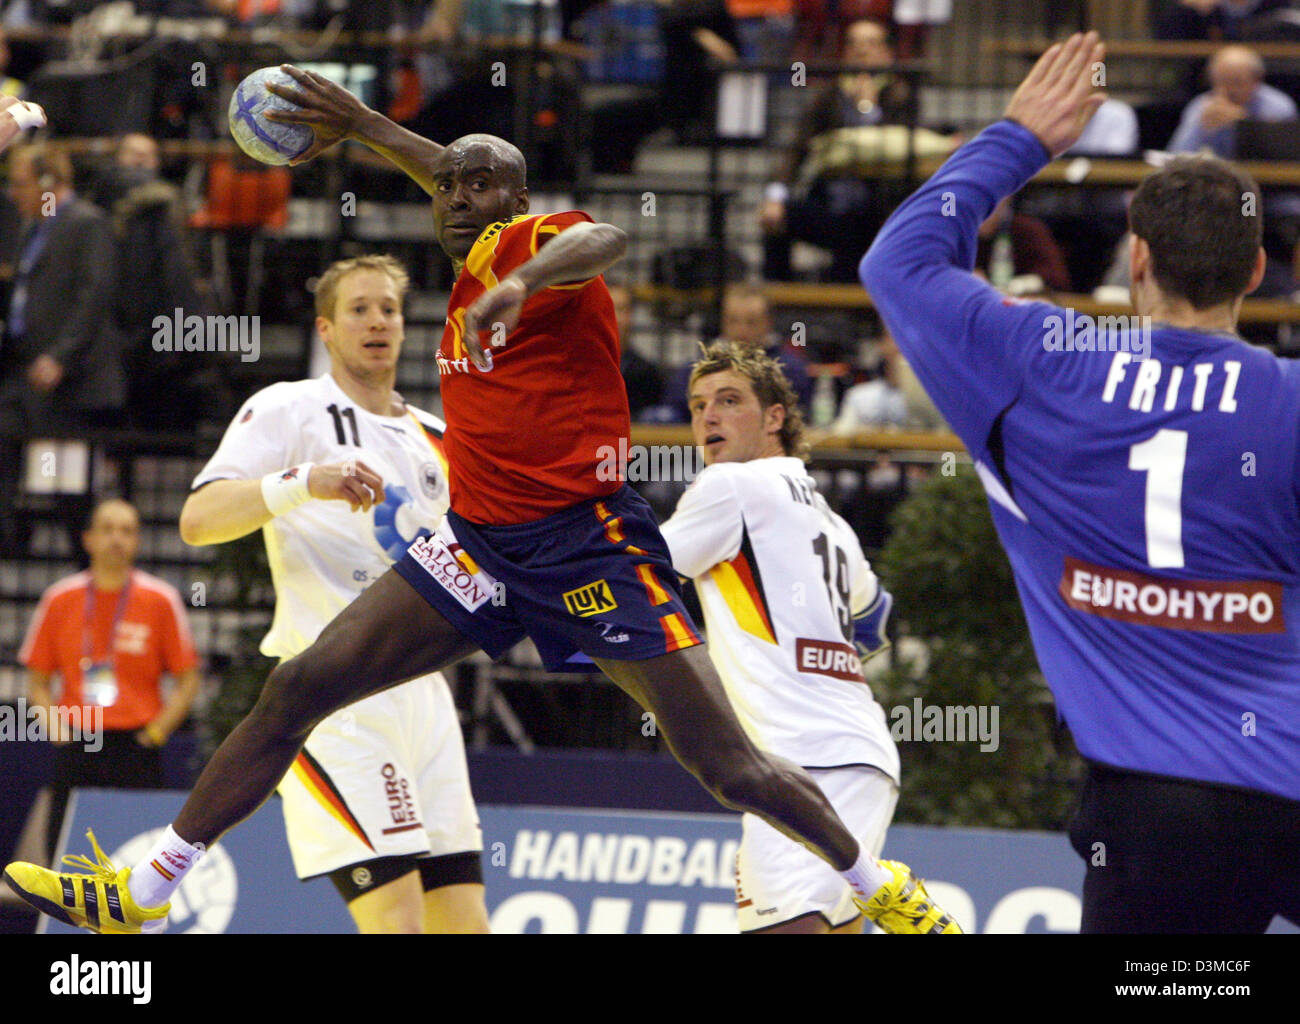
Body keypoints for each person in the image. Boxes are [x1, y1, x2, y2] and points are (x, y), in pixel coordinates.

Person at [4, 65, 957, 936]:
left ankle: (880, 887)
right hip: (480, 550)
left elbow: (605, 235)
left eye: (482, 188)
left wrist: (527, 281)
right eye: (450, 187)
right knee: (296, 688)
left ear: (519, 202)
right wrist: (363, 121)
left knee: (726, 767)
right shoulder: (464, 230)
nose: (460, 199)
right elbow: (445, 171)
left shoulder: (535, 245)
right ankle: (144, 891)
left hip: (589, 551)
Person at [861, 31, 1300, 932]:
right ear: (1256, 271)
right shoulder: (1289, 402)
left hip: (1149, 814)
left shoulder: (1045, 362)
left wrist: (1018, 139)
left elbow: (897, 263)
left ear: (1136, 261)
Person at [178, 254, 488, 934]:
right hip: (336, 697)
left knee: (464, 926)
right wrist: (302, 483)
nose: (377, 321)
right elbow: (198, 520)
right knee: (396, 924)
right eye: (360, 309)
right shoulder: (290, 407)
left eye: (389, 309)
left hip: (424, 697)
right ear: (326, 327)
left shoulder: (436, 437)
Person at [660, 342, 958, 934]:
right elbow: (875, 623)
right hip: (860, 754)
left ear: (775, 417)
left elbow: (639, 573)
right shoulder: (833, 521)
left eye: (728, 401)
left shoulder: (730, 489)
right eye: (697, 406)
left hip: (802, 765)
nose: (708, 418)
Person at [18, 499, 200, 861]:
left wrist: (155, 734)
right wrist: (57, 730)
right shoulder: (59, 599)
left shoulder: (160, 600)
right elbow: (37, 682)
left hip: (137, 747)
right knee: (67, 855)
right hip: (78, 740)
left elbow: (188, 681)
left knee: (136, 856)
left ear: (137, 541)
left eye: (127, 530)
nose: (117, 538)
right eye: (108, 528)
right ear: (88, 539)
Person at [761, 18, 920, 282]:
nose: (861, 50)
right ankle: (779, 298)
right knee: (778, 216)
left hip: (878, 207)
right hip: (831, 205)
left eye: (871, 43)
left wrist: (867, 110)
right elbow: (797, 149)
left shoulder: (901, 96)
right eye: (853, 44)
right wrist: (776, 196)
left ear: (887, 53)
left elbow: (900, 148)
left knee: (858, 242)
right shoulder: (829, 96)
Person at [664, 285, 813, 422]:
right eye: (733, 321)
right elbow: (677, 408)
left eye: (751, 322)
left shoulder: (790, 369)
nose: (741, 331)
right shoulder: (696, 369)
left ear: (768, 323)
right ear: (723, 322)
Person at [1166, 44, 1297, 157]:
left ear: (1256, 80)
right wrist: (1202, 128)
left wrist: (1245, 124)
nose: (1228, 90)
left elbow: (1285, 156)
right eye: (1221, 81)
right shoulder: (1201, 105)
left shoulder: (1279, 106)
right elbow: (1177, 154)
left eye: (1236, 82)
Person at [608, 283, 665, 419]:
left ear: (631, 316)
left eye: (621, 310)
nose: (615, 318)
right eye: (609, 309)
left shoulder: (647, 374)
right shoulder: (577, 368)